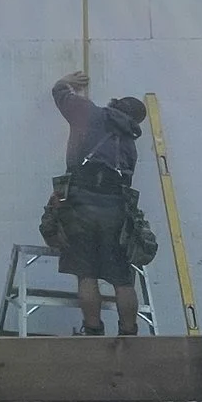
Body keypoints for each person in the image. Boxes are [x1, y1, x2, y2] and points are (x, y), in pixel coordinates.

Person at [45, 71, 146, 335]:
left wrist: (69, 81)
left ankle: (93, 332)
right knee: (123, 280)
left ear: (114, 104)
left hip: (80, 206)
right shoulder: (129, 145)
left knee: (86, 274)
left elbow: (59, 92)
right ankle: (129, 335)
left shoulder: (89, 113)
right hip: (116, 211)